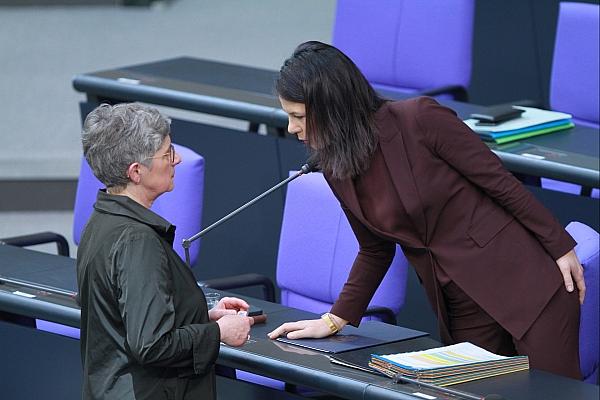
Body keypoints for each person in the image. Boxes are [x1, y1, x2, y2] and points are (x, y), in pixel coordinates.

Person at [267, 41, 586, 380]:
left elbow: (499, 183)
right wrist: (335, 318)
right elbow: (375, 250)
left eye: (298, 116)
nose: (291, 128)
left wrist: (560, 245)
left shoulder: (419, 119)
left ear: (332, 107)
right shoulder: (335, 167)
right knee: (478, 390)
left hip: (523, 281)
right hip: (458, 304)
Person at [76, 103, 253, 400]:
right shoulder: (136, 240)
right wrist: (218, 333)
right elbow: (152, 345)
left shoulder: (101, 219)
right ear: (136, 172)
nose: (178, 159)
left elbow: (123, 316)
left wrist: (200, 316)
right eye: (168, 153)